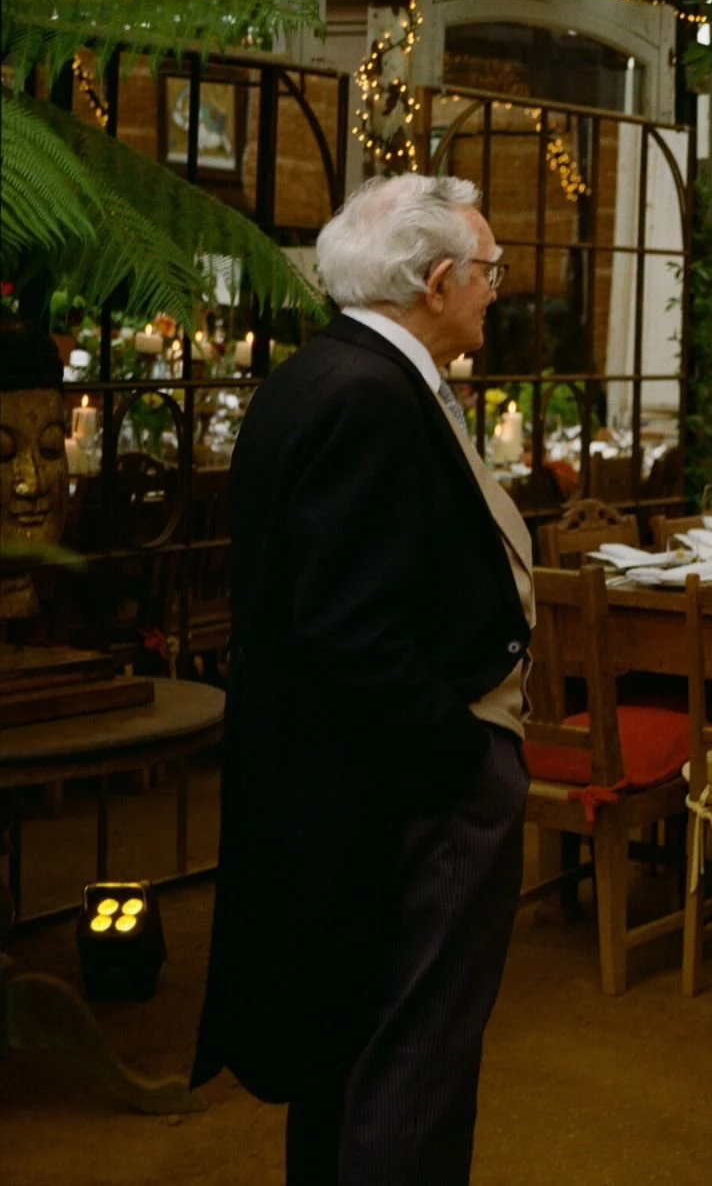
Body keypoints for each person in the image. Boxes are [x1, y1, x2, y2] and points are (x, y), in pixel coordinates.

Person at [194, 175, 532, 1186]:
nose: (496, 289)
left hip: (351, 780)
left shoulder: (323, 373)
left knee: (347, 1049)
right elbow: (350, 632)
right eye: (489, 271)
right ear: (437, 281)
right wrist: (463, 758)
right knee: (414, 1061)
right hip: (408, 787)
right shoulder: (370, 396)